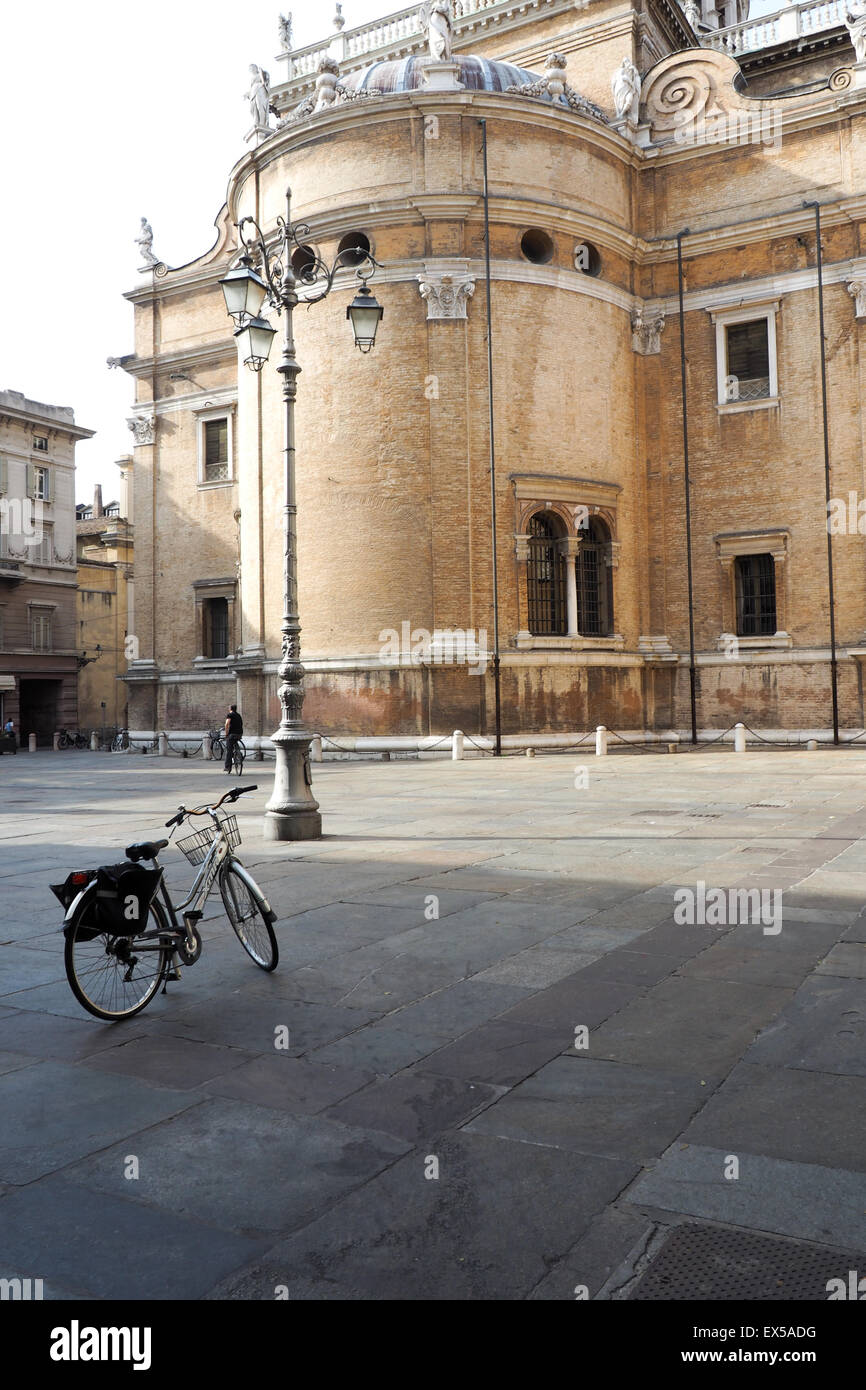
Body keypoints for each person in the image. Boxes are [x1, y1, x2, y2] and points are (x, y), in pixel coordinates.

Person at [223, 704, 243, 773]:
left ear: (230, 709)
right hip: (239, 734)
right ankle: (239, 754)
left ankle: (227, 767)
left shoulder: (230, 715)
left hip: (232, 735)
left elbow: (227, 724)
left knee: (229, 750)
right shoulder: (239, 715)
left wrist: (226, 734)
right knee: (234, 742)